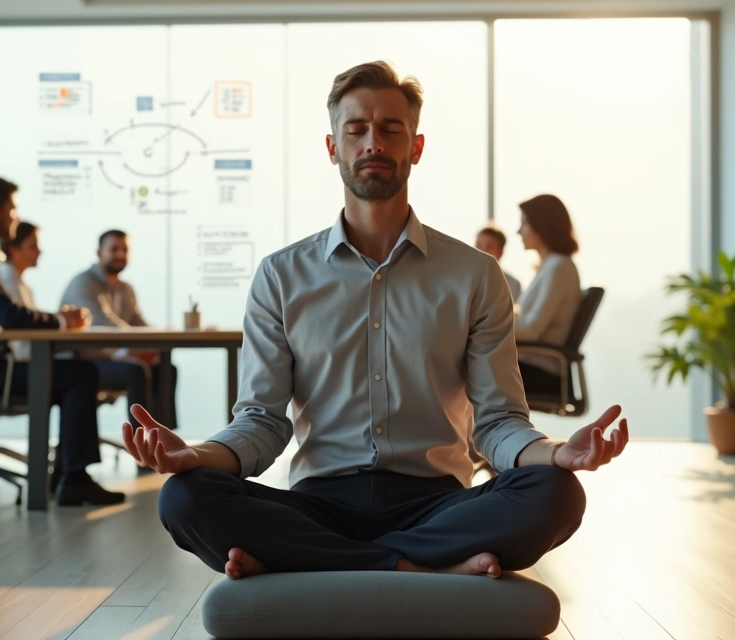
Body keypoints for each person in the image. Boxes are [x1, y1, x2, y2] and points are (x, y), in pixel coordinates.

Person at [121, 61, 628, 581]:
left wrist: (557, 452)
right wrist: (197, 454)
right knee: (184, 496)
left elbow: (497, 422)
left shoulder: (475, 275)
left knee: (557, 492)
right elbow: (263, 423)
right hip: (320, 504)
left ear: (416, 147)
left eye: (391, 129)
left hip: (437, 505)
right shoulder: (280, 276)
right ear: (333, 147)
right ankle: (418, 564)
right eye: (356, 129)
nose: (373, 143)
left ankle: (313, 562)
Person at [0, 176, 124, 507]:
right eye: (13, 210)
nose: (15, 218)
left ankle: (66, 475)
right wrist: (62, 320)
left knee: (76, 372)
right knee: (80, 374)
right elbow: (8, 315)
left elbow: (4, 314)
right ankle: (72, 478)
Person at [61, 230, 179, 431]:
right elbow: (106, 326)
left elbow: (138, 324)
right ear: (99, 252)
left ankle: (164, 445)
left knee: (166, 369)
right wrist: (135, 349)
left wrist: (160, 334)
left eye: (125, 250)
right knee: (136, 371)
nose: (120, 255)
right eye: (114, 249)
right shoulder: (84, 283)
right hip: (84, 362)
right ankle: (142, 451)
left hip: (116, 357)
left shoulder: (126, 289)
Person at [514, 194, 583, 396]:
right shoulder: (551, 266)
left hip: (539, 371)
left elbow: (531, 329)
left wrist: (485, 323)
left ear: (541, 225)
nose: (519, 231)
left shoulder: (559, 268)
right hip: (527, 364)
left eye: (524, 223)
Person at [0, 221, 41, 363]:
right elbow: (23, 325)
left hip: (27, 353)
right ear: (13, 249)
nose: (39, 252)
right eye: (33, 246)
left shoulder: (19, 282)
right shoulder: (7, 278)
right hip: (19, 357)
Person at [475, 225, 522, 300]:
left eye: (489, 247)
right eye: (478, 245)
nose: (482, 251)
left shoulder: (512, 284)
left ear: (500, 252)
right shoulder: (463, 279)